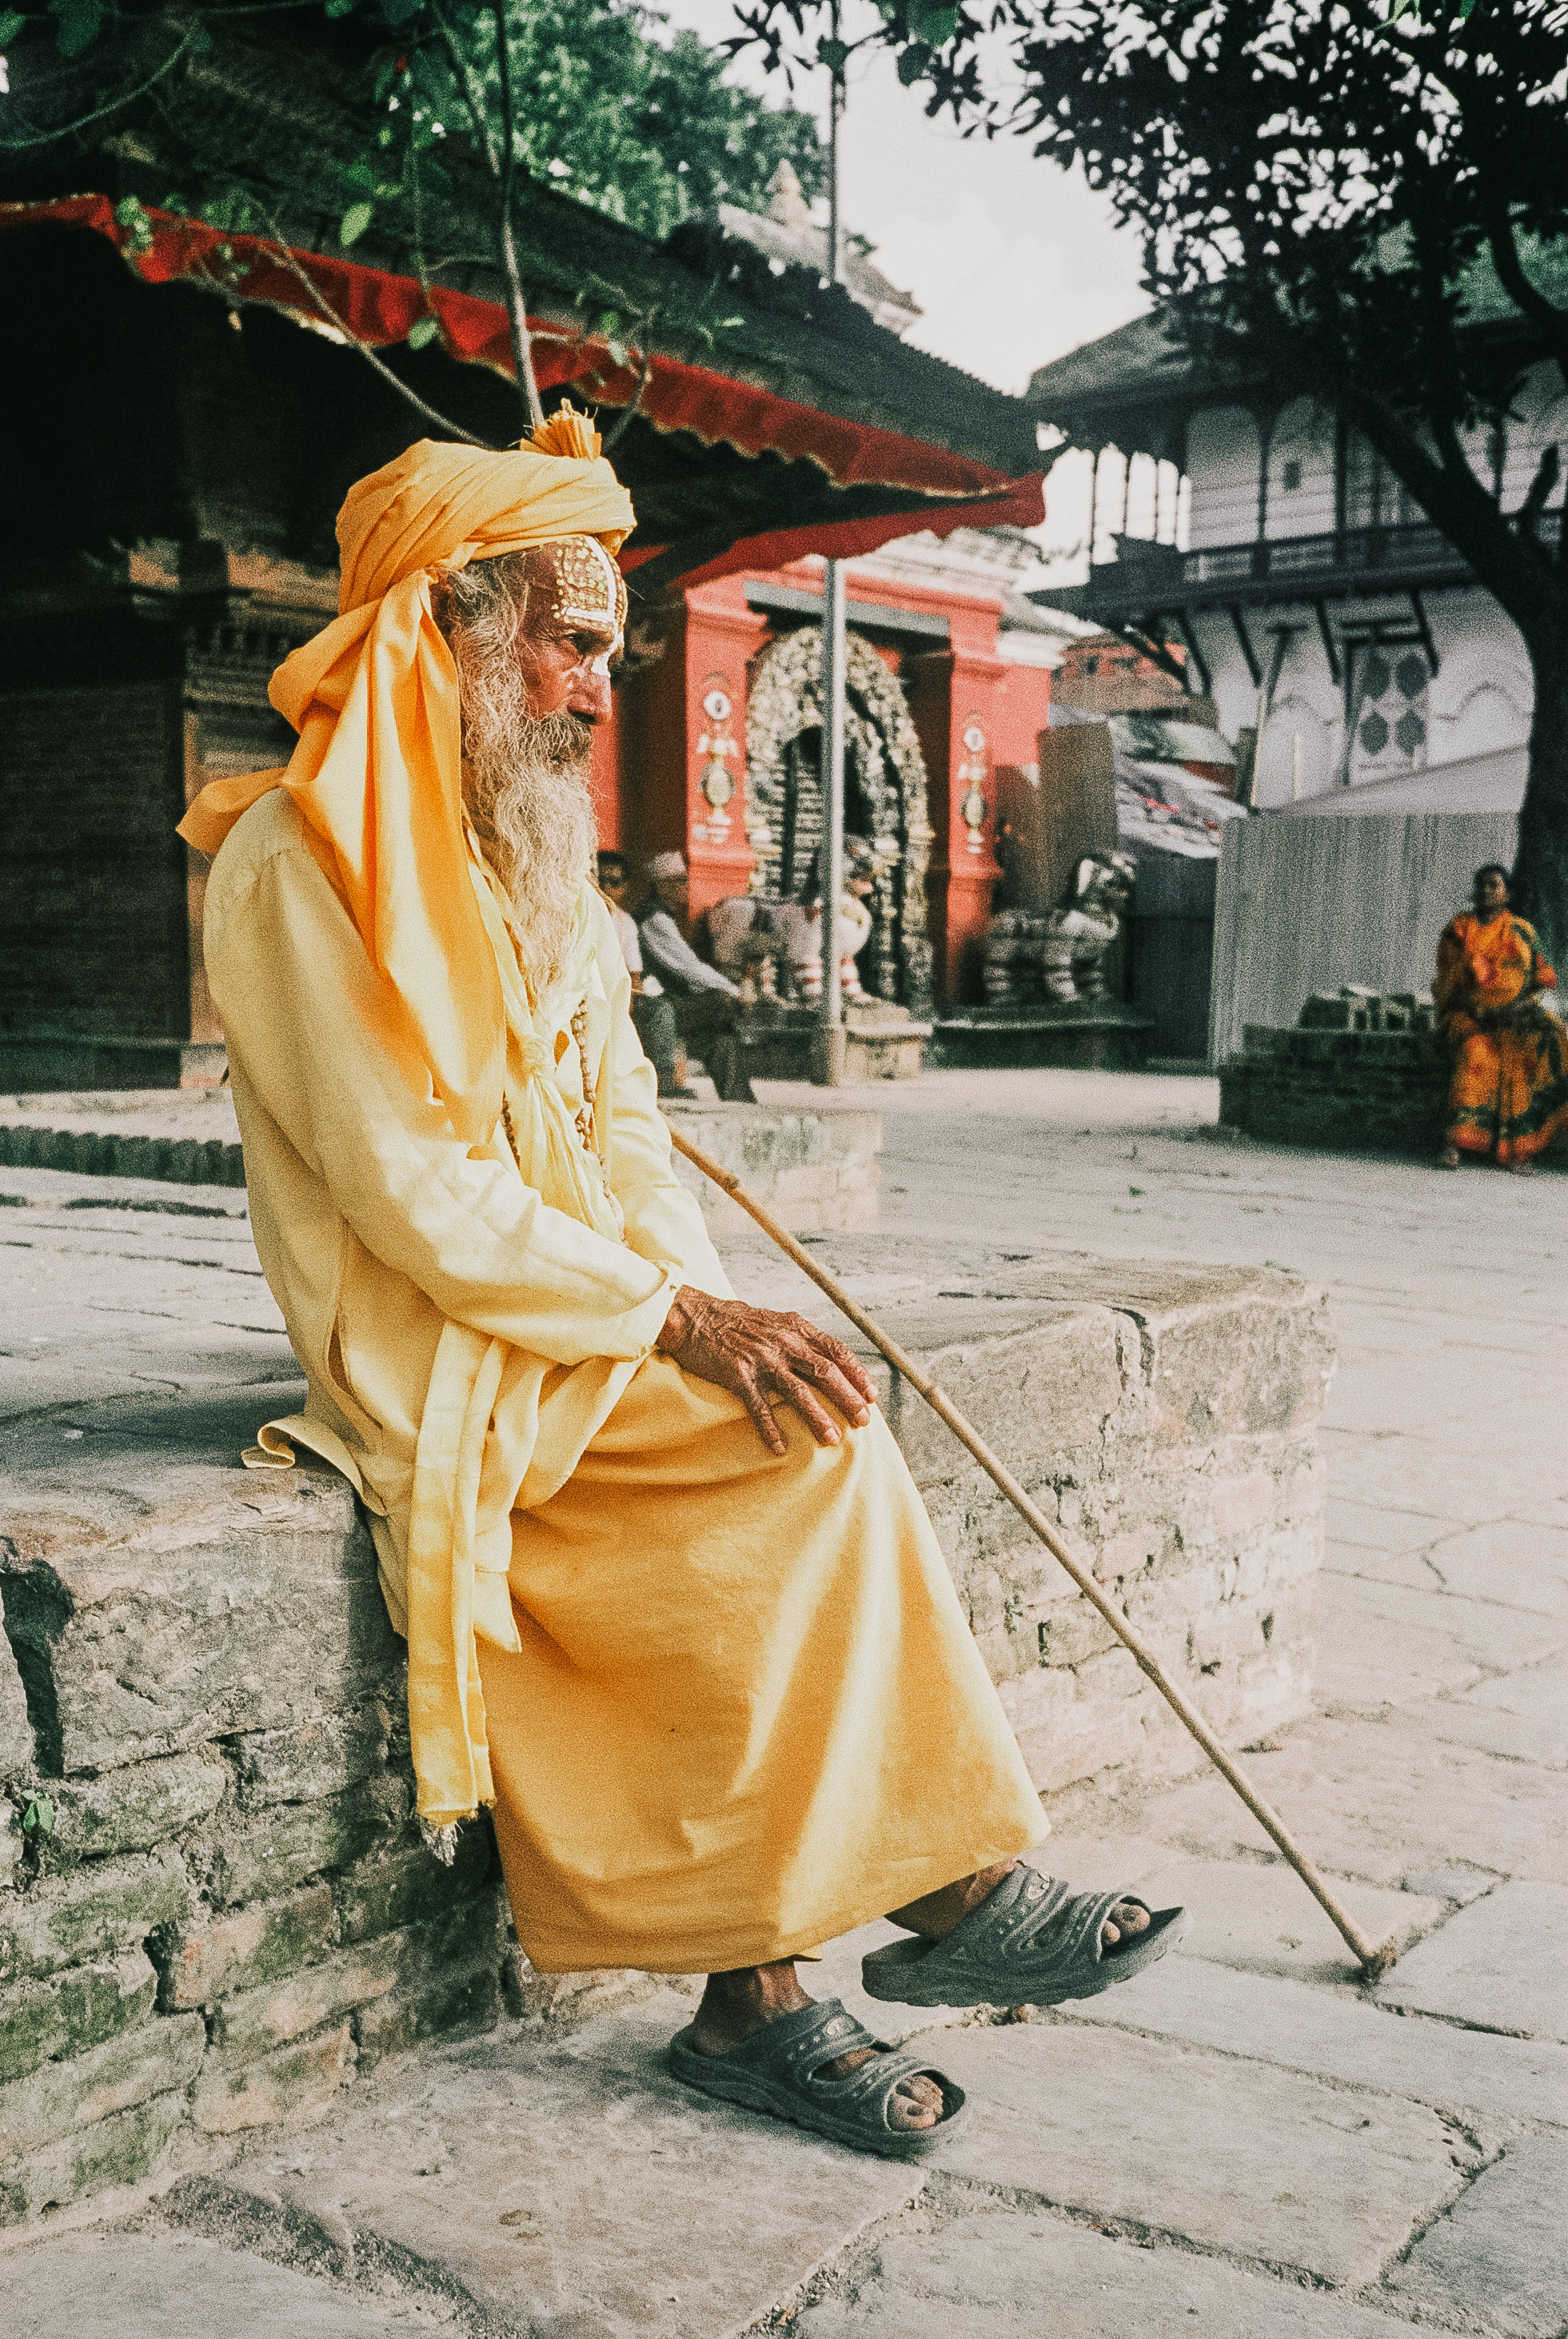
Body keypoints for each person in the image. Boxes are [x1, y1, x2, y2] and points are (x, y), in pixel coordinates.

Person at [181, 417, 1181, 2162]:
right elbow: (414, 1191)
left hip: (584, 1304)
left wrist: (713, 1314)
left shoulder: (530, 842)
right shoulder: (291, 861)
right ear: (446, 621)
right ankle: (877, 1929)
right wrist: (678, 1326)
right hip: (429, 1331)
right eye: (564, 638)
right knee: (792, 1470)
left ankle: (808, 1968)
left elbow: (623, 1117)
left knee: (801, 1421)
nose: (590, 687)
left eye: (604, 647)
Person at [1435, 864, 1568, 1174]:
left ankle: (1521, 1148)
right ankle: (1453, 1145)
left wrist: (1522, 1007)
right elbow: (1448, 985)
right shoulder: (1459, 930)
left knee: (1551, 1045)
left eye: (1494, 885)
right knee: (1476, 1055)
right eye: (1481, 884)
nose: (1485, 890)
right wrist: (1485, 1013)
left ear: (1508, 892)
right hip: (1471, 1018)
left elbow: (1542, 980)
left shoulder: (1522, 929)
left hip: (1518, 1016)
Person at [633, 851, 749, 1099]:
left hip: (675, 1005)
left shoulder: (664, 916)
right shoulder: (654, 918)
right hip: (658, 1005)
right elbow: (688, 967)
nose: (685, 886)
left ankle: (741, 1102)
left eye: (685, 880)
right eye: (679, 881)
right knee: (722, 1002)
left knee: (722, 1040)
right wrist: (732, 991)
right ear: (661, 885)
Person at [595, 848, 691, 1100]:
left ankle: (663, 1081)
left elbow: (634, 976)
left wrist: (623, 1006)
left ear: (624, 887)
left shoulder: (626, 923)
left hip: (616, 997)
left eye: (614, 883)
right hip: (583, 995)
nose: (606, 888)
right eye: (601, 880)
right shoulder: (579, 915)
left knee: (661, 1010)